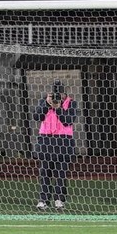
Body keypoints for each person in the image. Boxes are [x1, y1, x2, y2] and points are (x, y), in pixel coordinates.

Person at [33, 81, 76, 210]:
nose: (58, 97)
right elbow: (37, 117)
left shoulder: (71, 103)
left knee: (61, 172)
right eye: (55, 94)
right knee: (44, 172)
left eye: (60, 94)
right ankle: (43, 200)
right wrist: (47, 104)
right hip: (46, 140)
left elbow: (68, 121)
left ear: (64, 94)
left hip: (63, 141)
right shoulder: (44, 101)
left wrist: (58, 108)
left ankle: (59, 199)